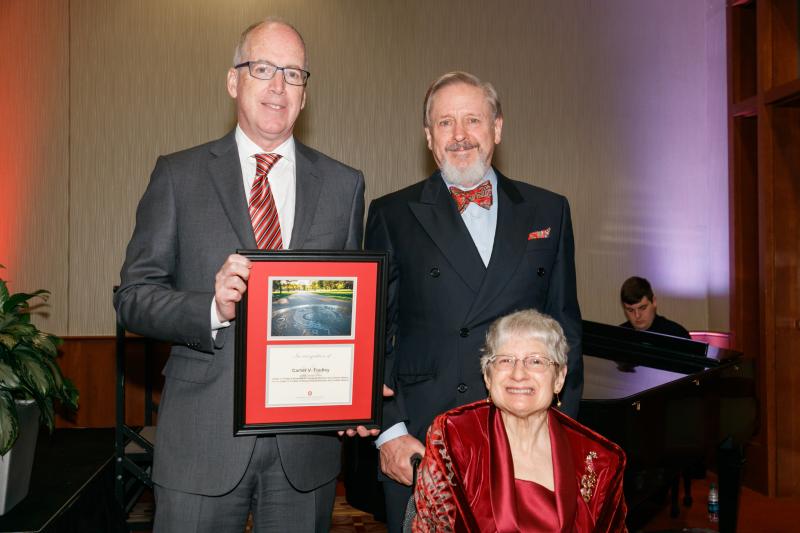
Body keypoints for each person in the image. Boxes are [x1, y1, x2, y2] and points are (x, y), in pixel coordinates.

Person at [114, 19, 369, 532]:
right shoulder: (178, 175)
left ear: (305, 91)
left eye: (292, 73)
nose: (278, 85)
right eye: (262, 69)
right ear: (234, 81)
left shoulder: (344, 186)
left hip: (305, 451)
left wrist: (362, 380)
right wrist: (209, 308)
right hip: (201, 443)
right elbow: (133, 297)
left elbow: (354, 309)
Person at [365, 71, 583, 531]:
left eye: (473, 120)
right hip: (422, 439)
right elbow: (372, 335)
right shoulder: (391, 214)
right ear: (428, 137)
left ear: (497, 129)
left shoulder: (549, 210)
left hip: (524, 435)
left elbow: (566, 330)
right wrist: (390, 431)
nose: (460, 136)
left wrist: (563, 435)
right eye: (445, 123)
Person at [412, 309, 627, 532]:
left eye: (535, 361)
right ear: (487, 376)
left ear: (559, 378)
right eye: (505, 360)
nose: (518, 374)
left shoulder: (601, 460)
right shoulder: (453, 436)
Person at [619, 276, 691, 338]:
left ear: (654, 302)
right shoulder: (618, 336)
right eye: (630, 310)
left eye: (642, 308)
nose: (637, 315)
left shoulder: (677, 335)